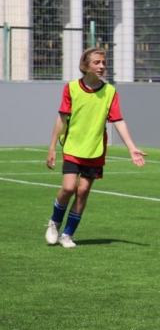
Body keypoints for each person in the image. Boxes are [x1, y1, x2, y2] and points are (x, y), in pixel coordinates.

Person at [45, 47, 146, 248]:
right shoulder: (71, 88)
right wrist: (52, 147)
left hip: (95, 150)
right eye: (96, 62)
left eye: (103, 63)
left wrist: (131, 148)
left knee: (83, 191)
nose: (101, 66)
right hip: (73, 147)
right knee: (68, 188)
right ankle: (55, 222)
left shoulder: (110, 92)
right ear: (85, 66)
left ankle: (67, 234)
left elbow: (118, 120)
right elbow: (62, 118)